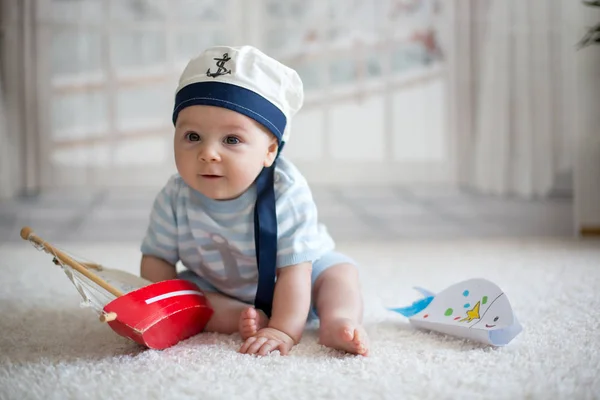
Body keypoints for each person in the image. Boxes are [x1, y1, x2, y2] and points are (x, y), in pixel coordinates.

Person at [139, 45, 369, 356]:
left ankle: (338, 320)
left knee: (340, 274)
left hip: (298, 282)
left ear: (270, 151)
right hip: (218, 285)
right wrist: (161, 310)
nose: (208, 153)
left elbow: (294, 271)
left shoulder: (286, 192)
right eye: (192, 136)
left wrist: (283, 329)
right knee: (189, 295)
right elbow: (157, 260)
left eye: (231, 140)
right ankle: (241, 317)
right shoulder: (174, 197)